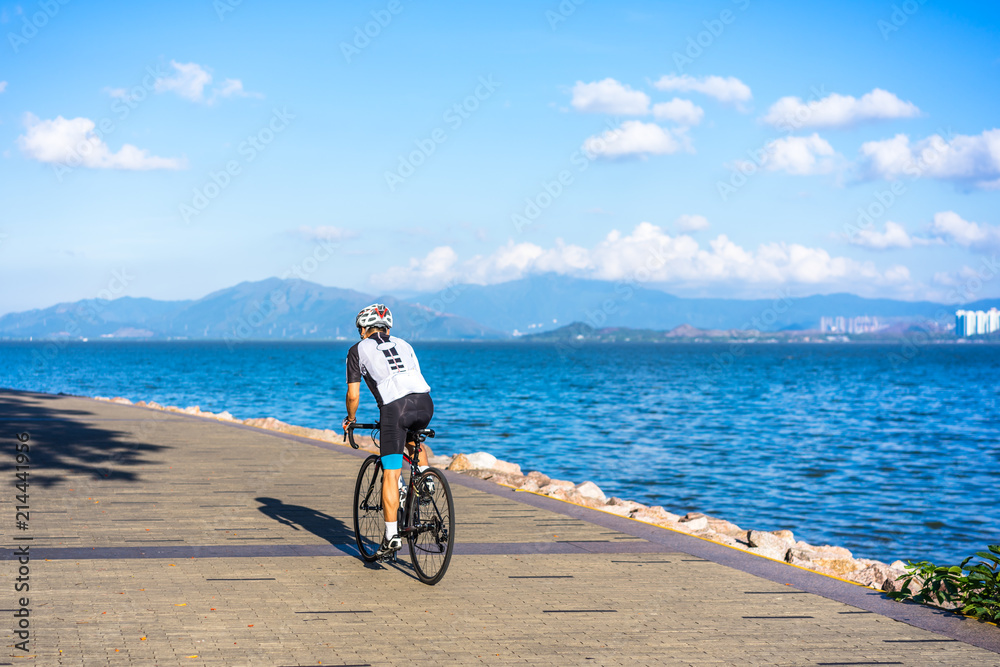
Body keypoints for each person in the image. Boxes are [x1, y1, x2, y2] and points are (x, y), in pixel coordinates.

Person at [342, 303, 433, 558]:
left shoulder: (356, 350)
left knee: (391, 473)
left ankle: (391, 535)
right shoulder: (405, 344)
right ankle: (425, 478)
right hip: (425, 403)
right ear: (388, 327)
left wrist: (350, 419)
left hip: (395, 408)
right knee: (413, 441)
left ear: (362, 329)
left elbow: (353, 394)